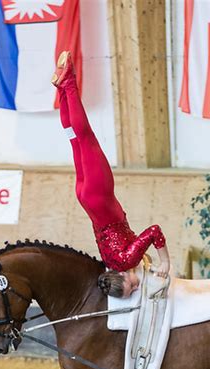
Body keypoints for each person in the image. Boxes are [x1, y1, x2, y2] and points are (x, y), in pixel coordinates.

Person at [52, 51, 171, 281]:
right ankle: (63, 92)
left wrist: (165, 262)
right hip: (87, 199)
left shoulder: (127, 261)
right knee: (74, 138)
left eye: (133, 287)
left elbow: (154, 231)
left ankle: (68, 84)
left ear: (125, 280)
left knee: (86, 138)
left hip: (99, 197)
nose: (138, 285)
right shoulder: (110, 263)